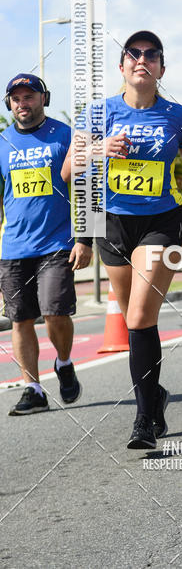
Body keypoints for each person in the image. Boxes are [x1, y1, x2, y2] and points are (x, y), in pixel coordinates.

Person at [62, 31, 182, 448]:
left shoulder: (176, 114)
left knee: (141, 317)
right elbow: (69, 172)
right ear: (122, 66)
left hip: (160, 220)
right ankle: (155, 395)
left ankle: (144, 420)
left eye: (151, 54)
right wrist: (99, 150)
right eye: (134, 54)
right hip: (113, 223)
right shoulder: (98, 114)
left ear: (162, 68)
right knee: (132, 321)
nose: (142, 59)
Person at [0, 74, 92, 416]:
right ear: (9, 104)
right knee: (19, 320)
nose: (23, 103)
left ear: (44, 99)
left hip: (57, 243)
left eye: (30, 97)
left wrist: (84, 239)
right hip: (12, 249)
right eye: (16, 98)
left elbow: (86, 190)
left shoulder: (65, 136)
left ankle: (64, 362)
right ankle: (33, 389)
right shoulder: (2, 143)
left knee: (55, 312)